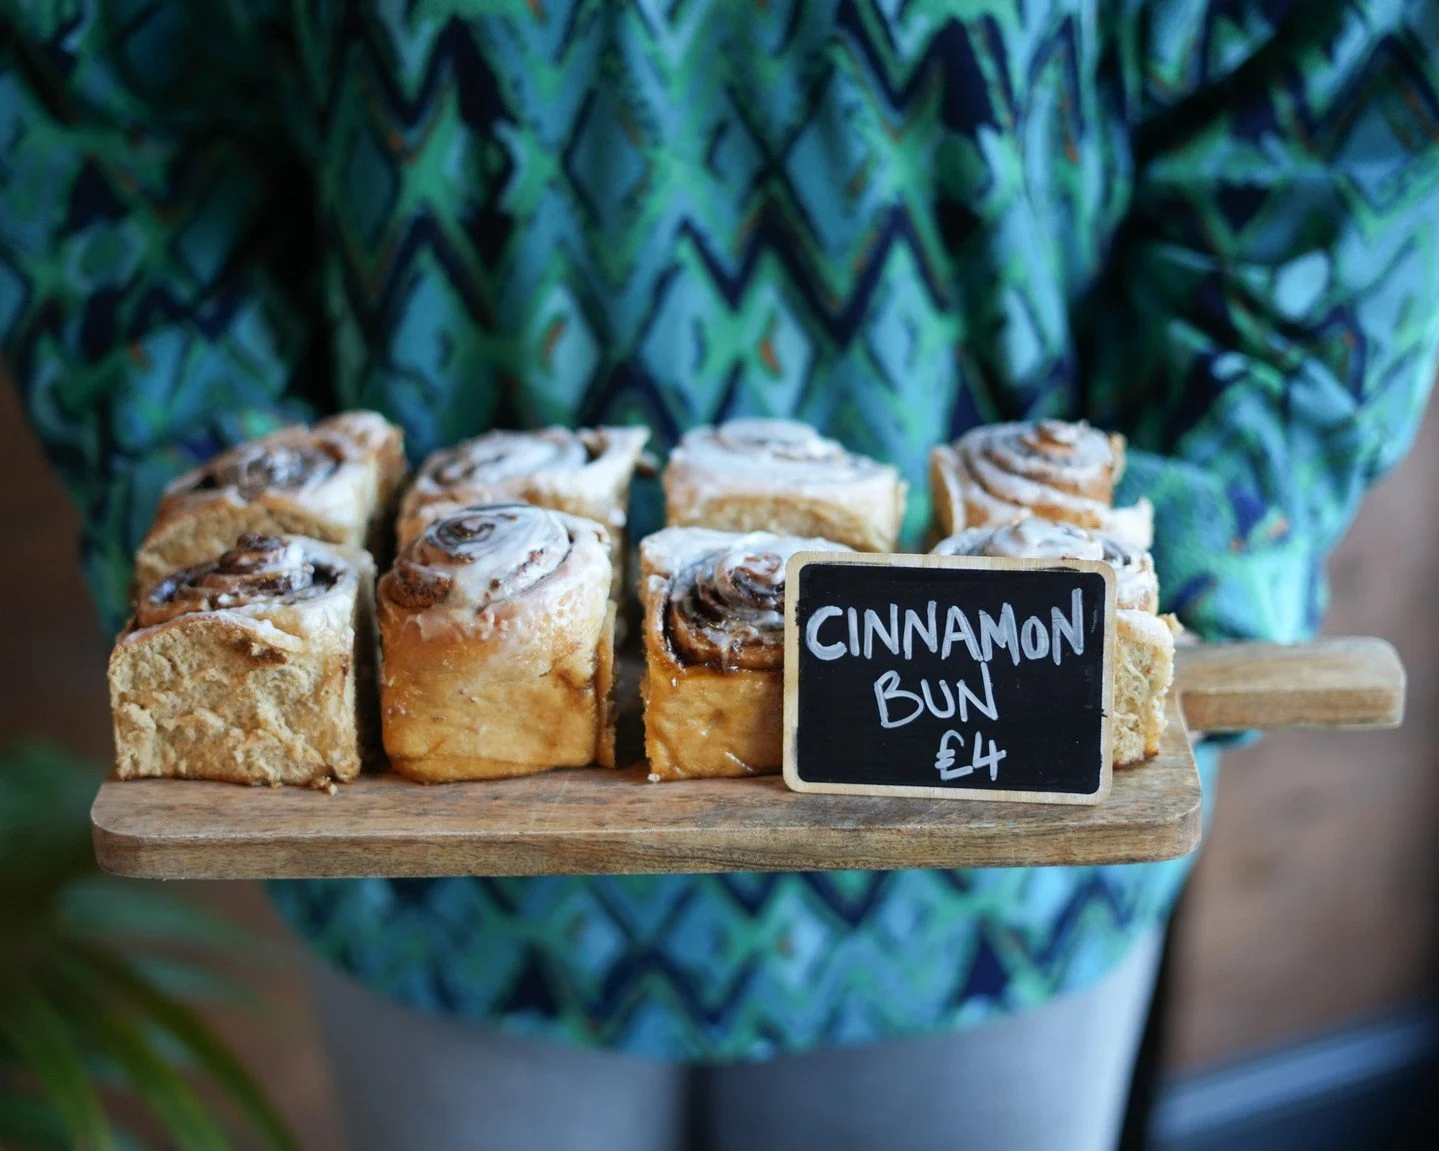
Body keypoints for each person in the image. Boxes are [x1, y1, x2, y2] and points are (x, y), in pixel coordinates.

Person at [3, 3, 1437, 1149]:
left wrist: (1167, 563)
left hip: (989, 810)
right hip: (428, 821)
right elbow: (101, 114)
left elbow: (1345, 95)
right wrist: (230, 542)